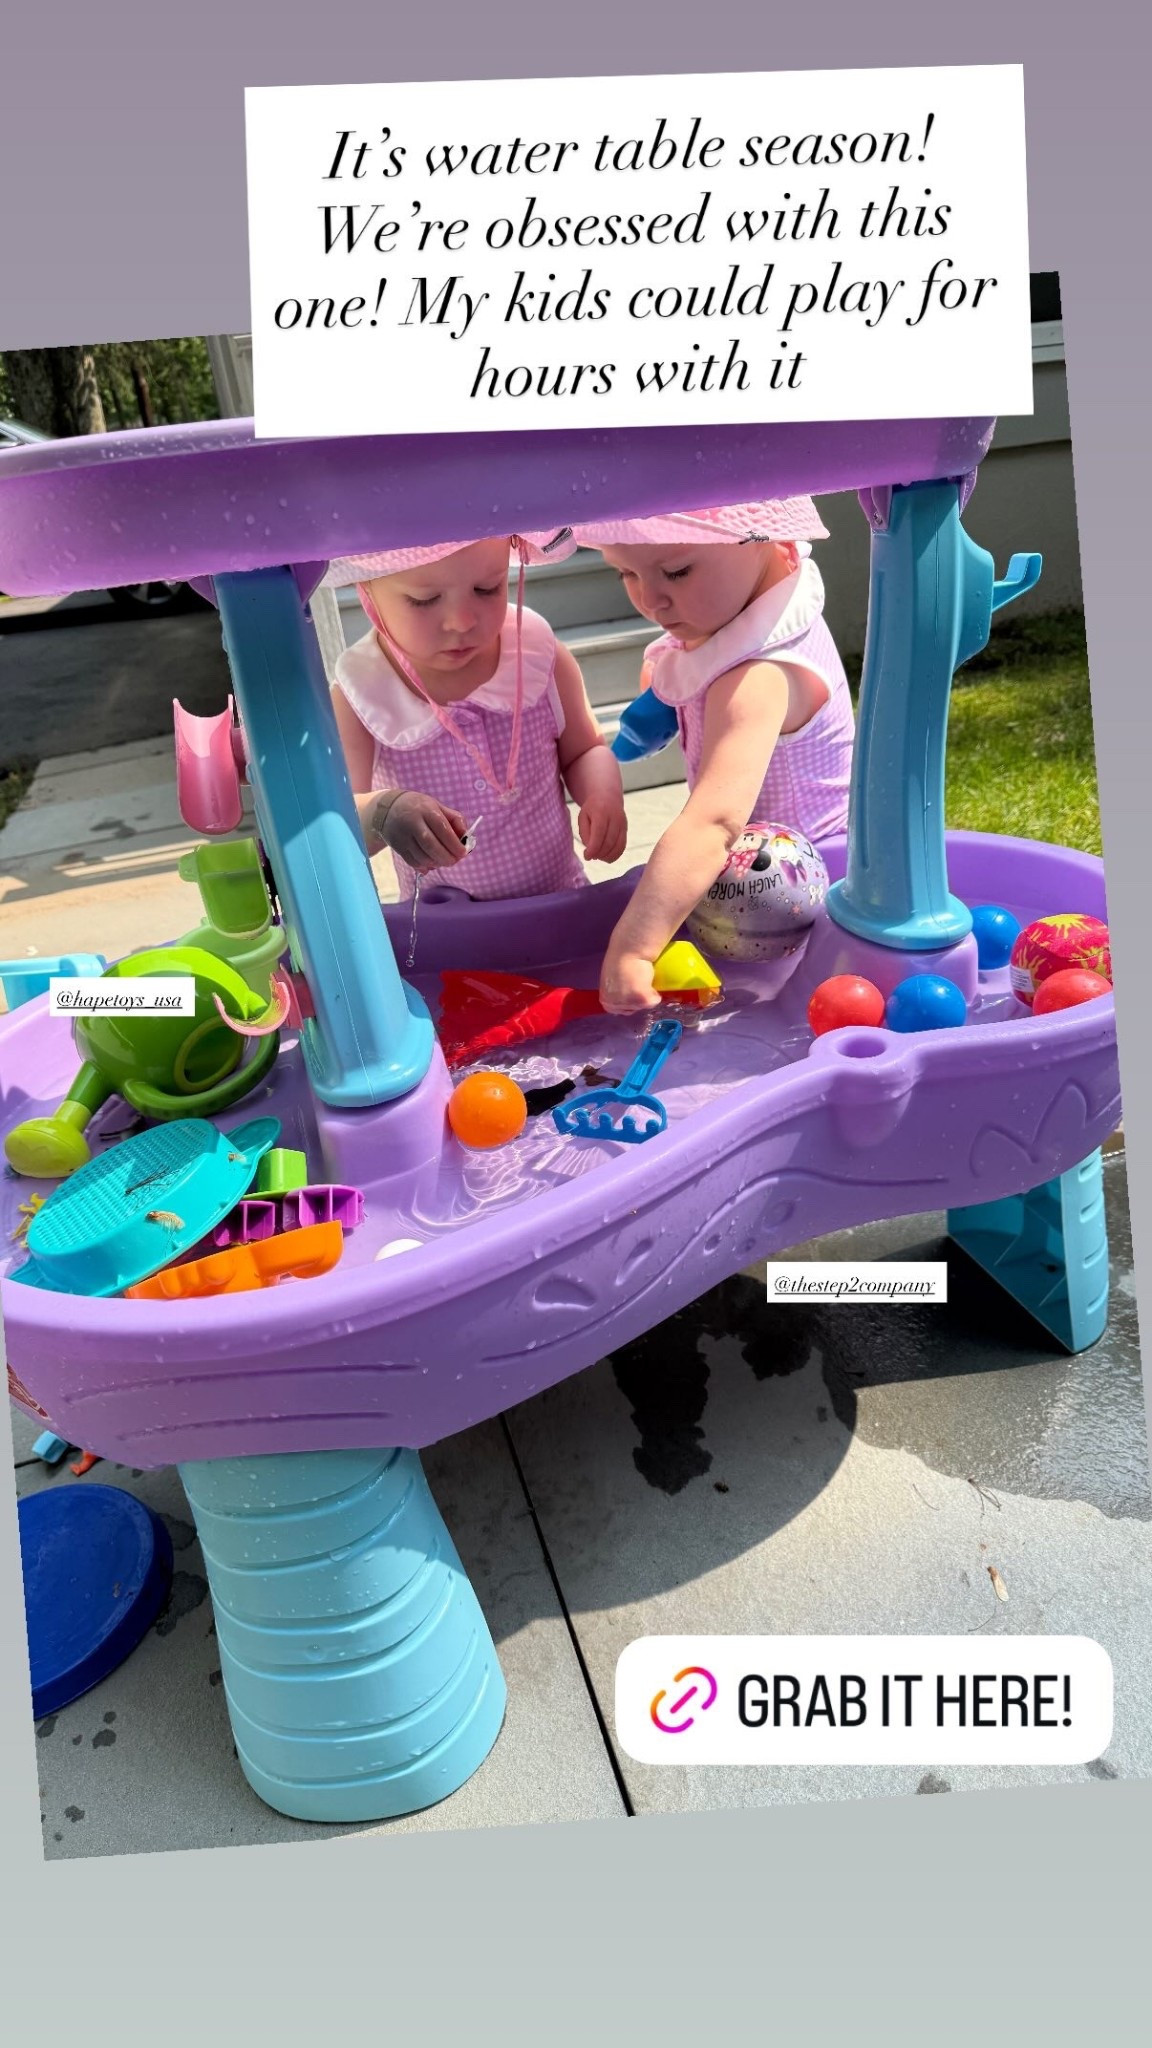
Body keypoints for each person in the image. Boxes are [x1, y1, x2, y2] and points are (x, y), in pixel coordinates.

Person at [570, 498, 854, 1013]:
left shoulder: (758, 676)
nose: (651, 599)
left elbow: (714, 824)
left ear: (762, 533)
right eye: (624, 574)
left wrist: (635, 948)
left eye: (676, 571)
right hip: (758, 892)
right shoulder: (743, 622)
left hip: (802, 910)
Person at [324, 529, 627, 901]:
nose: (462, 621)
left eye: (488, 589)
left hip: (559, 901)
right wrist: (384, 811)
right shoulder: (365, 694)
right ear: (366, 588)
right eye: (425, 599)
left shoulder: (536, 657)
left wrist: (602, 794)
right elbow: (337, 820)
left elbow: (584, 750)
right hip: (446, 926)